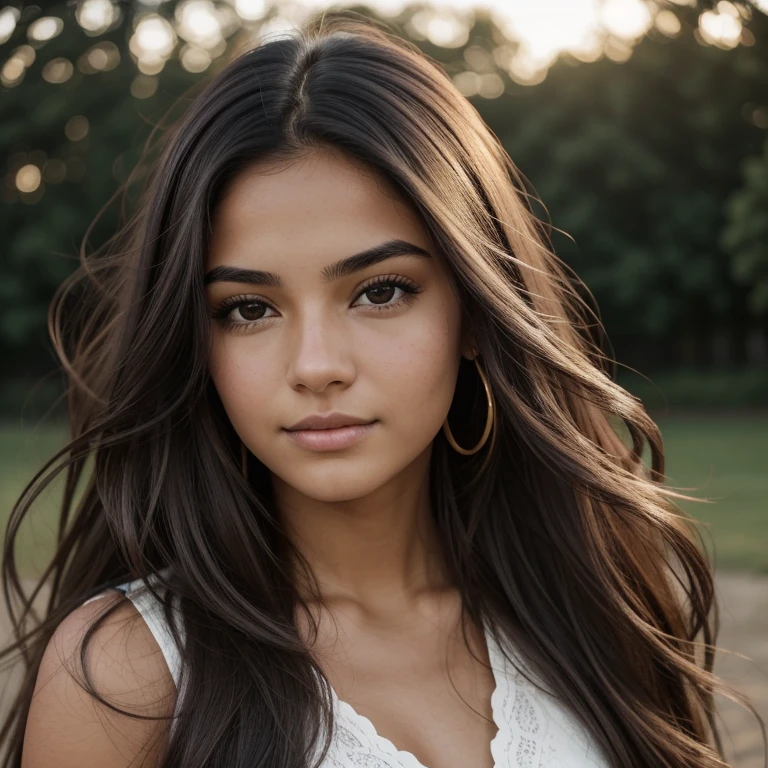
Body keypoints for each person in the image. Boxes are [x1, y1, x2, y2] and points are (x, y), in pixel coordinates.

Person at [1, 11, 760, 768]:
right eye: (249, 308)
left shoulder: (594, 611)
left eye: (381, 291)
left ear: (473, 308)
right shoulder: (131, 676)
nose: (317, 364)